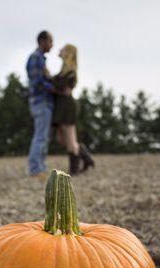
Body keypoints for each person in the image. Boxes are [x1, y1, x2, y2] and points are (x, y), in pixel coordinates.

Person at [52, 44, 95, 175]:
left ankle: (74, 169)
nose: (60, 50)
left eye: (63, 49)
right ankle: (86, 157)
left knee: (70, 139)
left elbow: (64, 89)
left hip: (67, 106)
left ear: (68, 53)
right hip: (61, 105)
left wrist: (50, 84)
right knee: (62, 139)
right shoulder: (64, 71)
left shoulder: (70, 71)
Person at [26, 31, 54, 178]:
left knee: (44, 136)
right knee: (40, 135)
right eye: (50, 41)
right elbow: (37, 83)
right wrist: (54, 88)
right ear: (42, 41)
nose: (52, 45)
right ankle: (36, 168)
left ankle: (41, 166)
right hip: (40, 101)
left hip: (44, 102)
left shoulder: (40, 59)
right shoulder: (36, 58)